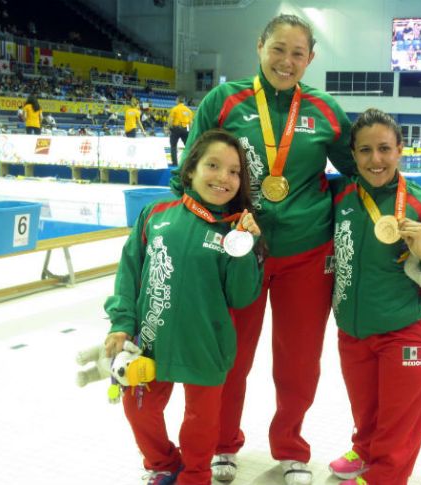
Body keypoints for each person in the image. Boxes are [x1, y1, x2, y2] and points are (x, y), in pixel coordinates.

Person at [171, 13, 356, 485]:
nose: (286, 61)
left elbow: (361, 173)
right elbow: (188, 174)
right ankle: (222, 442)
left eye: (297, 53)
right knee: (229, 355)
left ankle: (291, 447)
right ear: (259, 47)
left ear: (310, 58)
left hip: (307, 254)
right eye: (278, 49)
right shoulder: (223, 101)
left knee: (299, 361)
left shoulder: (325, 110)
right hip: (237, 251)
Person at [104, 128, 265, 485]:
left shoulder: (232, 230)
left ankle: (194, 475)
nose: (224, 177)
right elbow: (129, 271)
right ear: (191, 169)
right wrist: (121, 323)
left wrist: (246, 245)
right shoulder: (156, 214)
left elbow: (241, 297)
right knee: (138, 409)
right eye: (213, 165)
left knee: (200, 422)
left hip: (205, 345)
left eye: (234, 171)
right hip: (149, 342)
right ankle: (163, 463)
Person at [327, 108, 421, 485]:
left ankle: (385, 476)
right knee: (366, 408)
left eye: (384, 149)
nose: (375, 159)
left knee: (399, 418)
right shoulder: (340, 196)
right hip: (354, 328)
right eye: (365, 150)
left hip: (408, 328)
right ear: (353, 154)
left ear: (400, 149)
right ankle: (365, 450)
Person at [167, 96, 195, 166]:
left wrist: (169, 129)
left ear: (177, 101)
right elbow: (191, 123)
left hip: (176, 129)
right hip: (185, 129)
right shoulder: (188, 110)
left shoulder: (175, 109)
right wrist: (190, 132)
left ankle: (175, 163)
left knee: (173, 146)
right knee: (188, 147)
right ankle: (190, 163)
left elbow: (170, 120)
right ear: (184, 101)